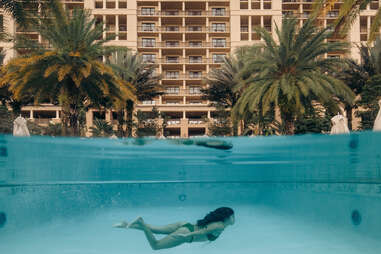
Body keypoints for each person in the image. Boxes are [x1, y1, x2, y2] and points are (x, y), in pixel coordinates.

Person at [113, 207, 235, 250]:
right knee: (156, 246)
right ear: (227, 217)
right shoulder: (220, 225)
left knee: (155, 229)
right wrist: (186, 236)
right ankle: (142, 224)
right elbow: (204, 231)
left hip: (185, 225)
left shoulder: (218, 223)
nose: (234, 218)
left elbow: (205, 228)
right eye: (233, 216)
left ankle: (126, 224)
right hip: (187, 233)